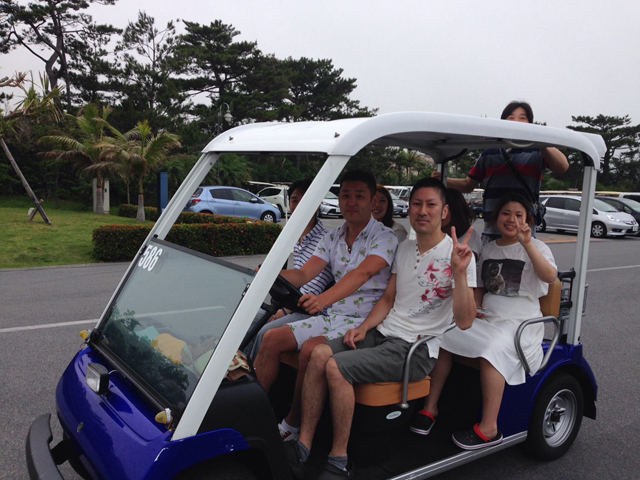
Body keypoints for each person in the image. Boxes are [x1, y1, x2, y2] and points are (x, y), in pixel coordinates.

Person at [283, 177, 477, 479]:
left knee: (335, 366)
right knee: (318, 353)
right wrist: (364, 328)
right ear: (409, 209)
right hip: (384, 333)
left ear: (444, 212)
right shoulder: (405, 248)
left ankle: (338, 458)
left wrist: (460, 273)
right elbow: (388, 298)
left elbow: (465, 321)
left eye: (431, 205)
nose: (422, 210)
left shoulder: (458, 256)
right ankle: (303, 444)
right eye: (416, 204)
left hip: (416, 349)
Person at [253, 170, 398, 442]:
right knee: (271, 337)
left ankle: (291, 425)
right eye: (345, 195)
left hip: (363, 323)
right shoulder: (332, 238)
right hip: (333, 315)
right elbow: (304, 274)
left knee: (310, 349)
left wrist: (322, 299)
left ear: (372, 201)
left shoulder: (385, 237)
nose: (351, 202)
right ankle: (253, 414)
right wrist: (269, 274)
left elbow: (362, 273)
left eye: (359, 196)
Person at [410, 193, 557, 450]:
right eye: (505, 213)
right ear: (496, 218)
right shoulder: (490, 248)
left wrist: (527, 244)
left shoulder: (537, 246)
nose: (511, 219)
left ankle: (489, 427)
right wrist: (474, 308)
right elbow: (480, 287)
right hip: (488, 319)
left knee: (493, 348)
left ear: (527, 220)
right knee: (443, 335)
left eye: (518, 215)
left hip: (520, 323)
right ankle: (430, 408)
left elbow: (549, 276)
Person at [436, 101, 569, 243]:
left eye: (522, 118)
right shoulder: (490, 152)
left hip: (523, 232)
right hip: (492, 229)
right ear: (502, 122)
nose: (516, 122)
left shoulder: (537, 151)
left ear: (530, 124)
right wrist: (443, 179)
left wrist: (539, 141)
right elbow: (468, 185)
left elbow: (562, 166)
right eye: (511, 118)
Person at [243, 178, 333, 359]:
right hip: (293, 305)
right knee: (245, 318)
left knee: (265, 332)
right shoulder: (296, 238)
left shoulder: (325, 240)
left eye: (305, 200)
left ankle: (251, 372)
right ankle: (236, 368)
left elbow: (312, 288)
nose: (298, 205)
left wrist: (282, 311)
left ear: (316, 204)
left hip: (312, 311)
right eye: (294, 200)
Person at [442, 188, 481, 259]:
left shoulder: (470, 236)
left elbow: (468, 261)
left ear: (455, 211)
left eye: (445, 210)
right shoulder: (429, 234)